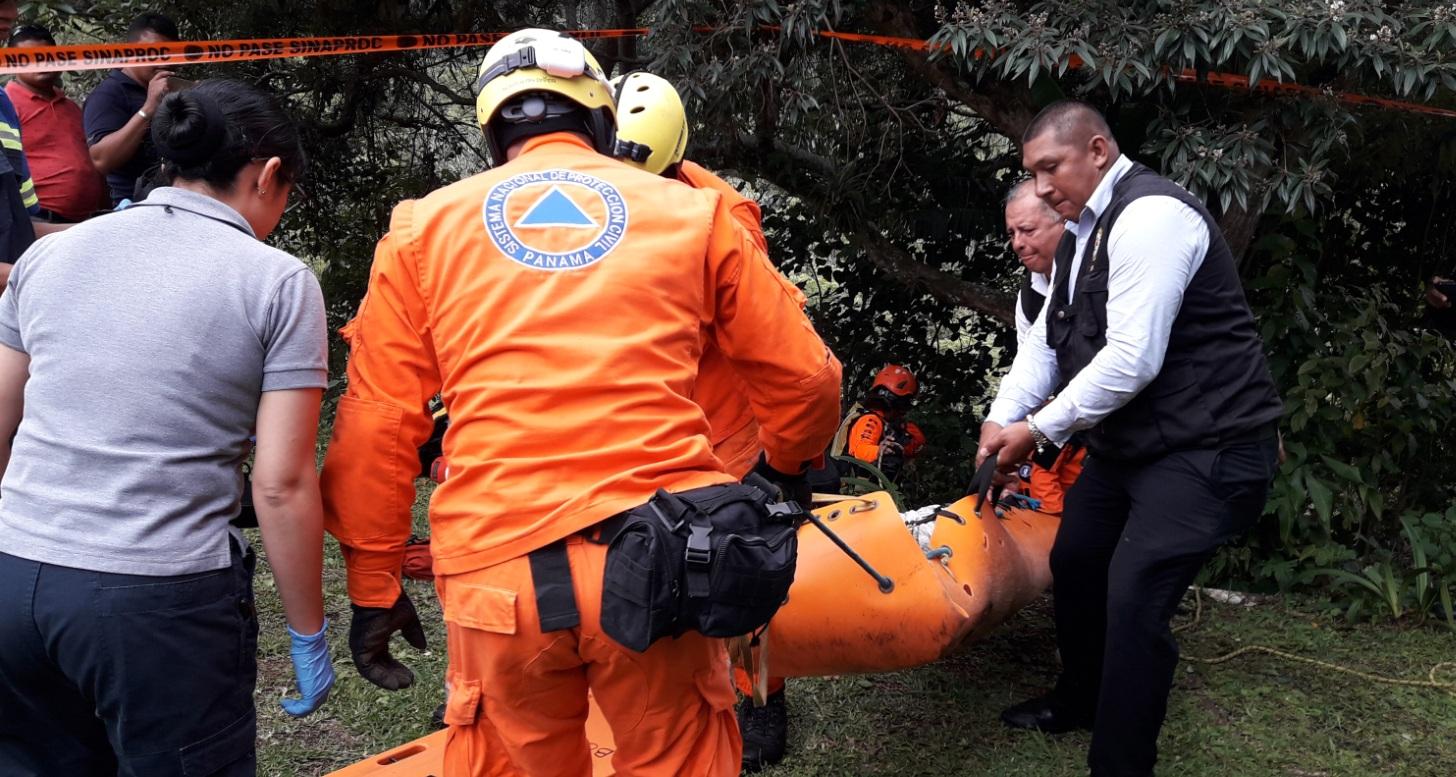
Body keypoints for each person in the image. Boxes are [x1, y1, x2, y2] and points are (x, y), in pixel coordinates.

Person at [320, 29, 841, 777]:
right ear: (600, 117)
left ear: (493, 130)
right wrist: (785, 471)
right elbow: (808, 378)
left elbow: (377, 424)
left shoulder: (420, 230)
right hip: (663, 558)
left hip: (498, 572)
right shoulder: (694, 213)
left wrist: (374, 587)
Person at [0, 79, 333, 775]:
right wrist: (308, 629)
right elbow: (280, 484)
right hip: (155, 602)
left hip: (16, 580)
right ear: (269, 173)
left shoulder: (49, 256)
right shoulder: (276, 280)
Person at [978, 100, 1283, 777]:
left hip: (1209, 447)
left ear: (1097, 150)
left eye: (1051, 167)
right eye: (1033, 173)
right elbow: (1045, 347)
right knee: (1078, 558)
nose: (1043, 186)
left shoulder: (1152, 217)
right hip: (1134, 446)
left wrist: (1038, 429)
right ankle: (1081, 698)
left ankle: (1119, 764)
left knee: (1135, 595)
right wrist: (1001, 420)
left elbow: (1132, 358)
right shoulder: (1077, 235)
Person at [611, 69, 812, 772]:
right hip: (636, 416)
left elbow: (784, 352)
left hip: (718, 420)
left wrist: (784, 461)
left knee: (731, 562)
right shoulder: (593, 203)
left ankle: (763, 697)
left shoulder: (723, 222)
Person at [1004, 179, 1084, 515]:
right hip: (1060, 421)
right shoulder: (1030, 298)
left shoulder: (1101, 275)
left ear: (1063, 222)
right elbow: (1032, 370)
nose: (1017, 244)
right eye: (1012, 234)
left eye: (1027, 231)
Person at [6, 24, 109, 222]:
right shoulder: (7, 105)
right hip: (39, 221)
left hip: (86, 221)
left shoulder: (70, 107)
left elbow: (92, 162)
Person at [83, 12, 179, 203]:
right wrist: (148, 109)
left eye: (170, 53)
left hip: (171, 201)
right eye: (154, 53)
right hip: (131, 206)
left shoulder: (168, 89)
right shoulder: (108, 94)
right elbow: (101, 160)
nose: (163, 61)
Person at [831, 364, 926, 482]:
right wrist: (879, 451)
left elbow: (917, 443)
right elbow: (860, 450)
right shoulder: (870, 420)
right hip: (854, 488)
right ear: (898, 403)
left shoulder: (886, 422)